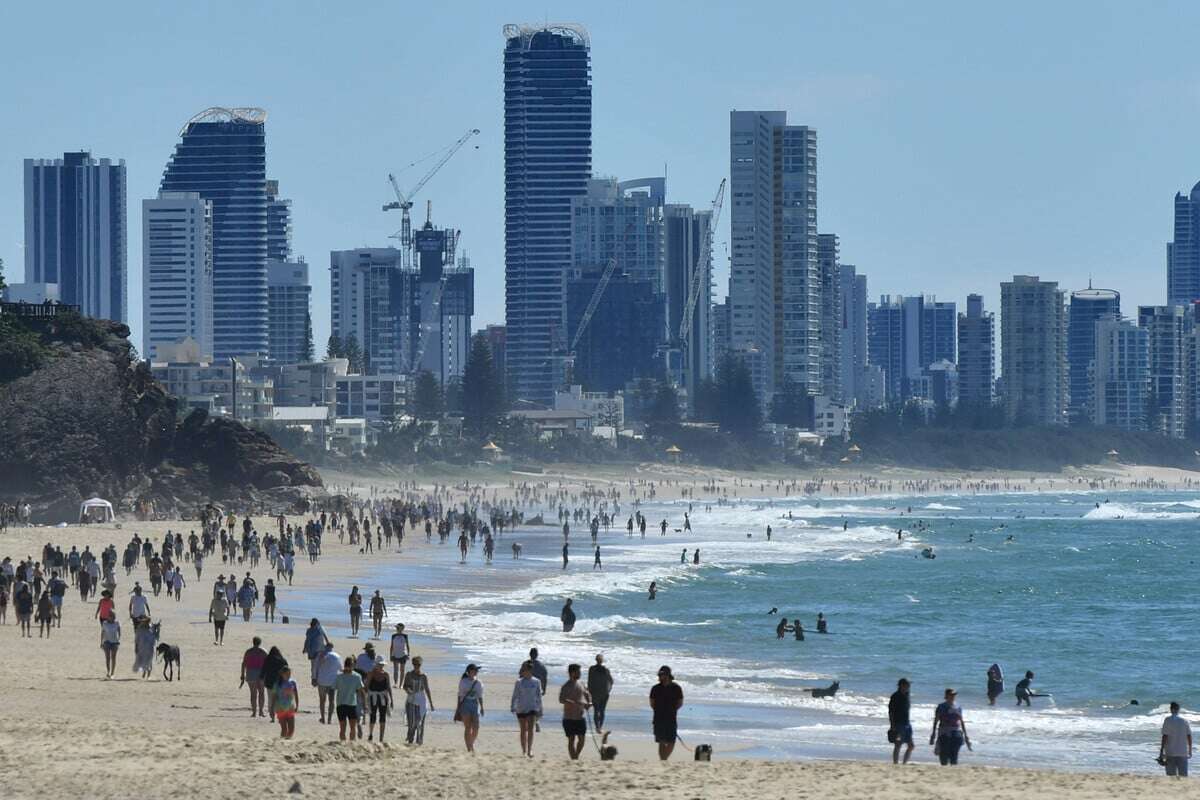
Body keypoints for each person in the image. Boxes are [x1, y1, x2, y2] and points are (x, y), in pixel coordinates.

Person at [649, 665, 684, 760]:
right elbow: (652, 703)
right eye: (660, 675)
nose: (660, 677)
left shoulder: (676, 688)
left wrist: (672, 710)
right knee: (661, 740)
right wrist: (658, 710)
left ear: (668, 675)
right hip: (658, 717)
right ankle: (663, 759)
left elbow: (680, 703)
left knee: (671, 740)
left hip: (671, 717)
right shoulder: (655, 688)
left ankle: (664, 758)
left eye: (662, 675)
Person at [930, 688, 972, 765]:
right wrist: (933, 734)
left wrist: (966, 735)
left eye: (954, 695)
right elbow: (936, 720)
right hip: (944, 733)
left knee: (954, 755)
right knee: (944, 755)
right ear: (946, 696)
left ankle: (953, 766)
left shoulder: (958, 706)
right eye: (951, 695)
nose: (953, 696)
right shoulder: (941, 706)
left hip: (956, 732)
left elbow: (961, 721)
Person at [559, 663, 592, 760]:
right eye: (578, 671)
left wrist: (589, 703)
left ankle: (576, 756)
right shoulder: (566, 686)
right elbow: (561, 699)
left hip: (580, 716)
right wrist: (569, 702)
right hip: (568, 717)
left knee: (582, 739)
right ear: (572, 673)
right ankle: (574, 759)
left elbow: (588, 694)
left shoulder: (582, 684)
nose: (580, 673)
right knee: (571, 739)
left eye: (580, 671)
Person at [511, 660, 543, 757]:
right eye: (523, 670)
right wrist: (512, 706)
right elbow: (515, 695)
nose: (524, 672)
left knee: (530, 729)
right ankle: (524, 750)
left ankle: (529, 750)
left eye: (526, 670)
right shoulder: (519, 682)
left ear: (530, 670)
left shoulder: (536, 681)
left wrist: (540, 708)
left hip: (532, 708)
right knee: (523, 729)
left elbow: (539, 696)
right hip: (521, 708)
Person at [402, 655, 434, 745]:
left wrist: (431, 703)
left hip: (421, 701)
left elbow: (427, 689)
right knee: (411, 722)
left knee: (419, 722)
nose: (417, 666)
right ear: (413, 664)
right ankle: (410, 739)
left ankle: (419, 741)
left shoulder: (423, 676)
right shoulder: (409, 674)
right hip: (411, 700)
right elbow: (405, 686)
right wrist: (408, 690)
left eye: (418, 665)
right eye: (415, 664)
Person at [334, 657, 367, 741]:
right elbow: (362, 691)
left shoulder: (339, 676)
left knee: (345, 728)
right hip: (349, 704)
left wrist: (365, 704)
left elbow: (333, 688)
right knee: (349, 728)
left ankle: (346, 744)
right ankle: (348, 744)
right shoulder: (356, 676)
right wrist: (365, 704)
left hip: (343, 704)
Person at [1160, 701, 1193, 777]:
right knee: (1183, 776)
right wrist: (1190, 750)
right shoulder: (1184, 721)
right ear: (1178, 709)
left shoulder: (1167, 720)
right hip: (1183, 752)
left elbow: (1165, 736)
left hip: (1170, 752)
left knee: (1171, 776)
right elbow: (1189, 736)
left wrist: (1161, 751)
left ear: (1171, 709)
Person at [457, 663, 484, 753]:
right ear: (469, 672)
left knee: (476, 727)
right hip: (465, 704)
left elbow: (480, 696)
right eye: (475, 670)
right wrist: (458, 708)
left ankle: (470, 744)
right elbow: (460, 695)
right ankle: (469, 748)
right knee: (468, 727)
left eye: (477, 670)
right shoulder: (463, 681)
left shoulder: (479, 682)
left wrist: (482, 707)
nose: (476, 671)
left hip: (475, 704)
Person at [366, 659, 394, 742]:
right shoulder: (371, 674)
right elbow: (367, 686)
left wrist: (391, 699)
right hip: (373, 696)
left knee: (382, 717)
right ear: (376, 664)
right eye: (379, 664)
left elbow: (388, 687)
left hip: (383, 697)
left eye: (382, 665)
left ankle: (381, 738)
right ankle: (371, 734)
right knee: (373, 716)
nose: (381, 666)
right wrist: (365, 699)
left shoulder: (386, 675)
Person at [888, 678, 914, 764]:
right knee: (898, 744)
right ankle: (895, 763)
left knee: (911, 745)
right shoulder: (895, 696)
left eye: (909, 685)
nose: (908, 687)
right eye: (907, 685)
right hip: (898, 724)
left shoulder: (907, 695)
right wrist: (892, 726)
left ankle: (904, 763)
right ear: (901, 685)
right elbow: (891, 712)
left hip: (907, 724)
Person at [241, 636, 268, 717]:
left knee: (253, 694)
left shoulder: (248, 652)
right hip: (261, 673)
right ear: (260, 642)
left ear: (253, 642)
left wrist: (242, 675)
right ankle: (261, 711)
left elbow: (243, 664)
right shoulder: (263, 651)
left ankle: (254, 712)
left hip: (250, 673)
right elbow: (268, 663)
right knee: (261, 692)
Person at [315, 643, 342, 724]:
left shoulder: (320, 655)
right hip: (332, 681)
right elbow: (340, 668)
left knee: (322, 700)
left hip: (322, 681)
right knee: (331, 700)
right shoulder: (337, 656)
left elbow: (316, 668)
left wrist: (314, 678)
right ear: (332, 647)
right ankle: (329, 719)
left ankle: (323, 718)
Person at [262, 646, 289, 723]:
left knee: (271, 700)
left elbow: (264, 669)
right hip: (280, 682)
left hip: (269, 682)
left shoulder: (267, 659)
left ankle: (272, 717)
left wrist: (261, 677)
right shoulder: (282, 660)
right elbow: (287, 670)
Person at [587, 654, 614, 731]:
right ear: (602, 661)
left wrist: (589, 691)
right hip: (604, 693)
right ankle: (600, 727)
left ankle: (597, 726)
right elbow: (611, 681)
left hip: (594, 692)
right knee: (602, 710)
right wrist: (609, 689)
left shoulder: (592, 669)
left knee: (596, 710)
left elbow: (589, 681)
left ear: (596, 660)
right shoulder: (606, 670)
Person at [302, 618, 330, 686]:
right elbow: (325, 637)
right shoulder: (320, 629)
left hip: (314, 650)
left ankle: (314, 679)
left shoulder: (311, 630)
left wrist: (305, 648)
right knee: (316, 665)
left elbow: (307, 640)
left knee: (314, 665)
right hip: (318, 649)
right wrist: (328, 643)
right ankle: (315, 678)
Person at [273, 665, 299, 739]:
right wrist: (272, 708)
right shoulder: (277, 683)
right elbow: (274, 696)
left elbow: (296, 694)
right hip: (280, 708)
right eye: (286, 674)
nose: (288, 675)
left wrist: (297, 705)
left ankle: (287, 741)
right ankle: (282, 742)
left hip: (290, 707)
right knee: (284, 729)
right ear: (282, 674)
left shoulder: (293, 682)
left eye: (289, 674)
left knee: (291, 729)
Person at [100, 612, 121, 678]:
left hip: (115, 642)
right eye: (109, 616)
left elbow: (119, 632)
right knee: (107, 658)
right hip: (106, 642)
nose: (110, 617)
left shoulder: (117, 623)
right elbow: (102, 632)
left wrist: (118, 639)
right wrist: (101, 642)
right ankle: (108, 671)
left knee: (113, 658)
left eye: (111, 616)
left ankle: (112, 673)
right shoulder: (105, 623)